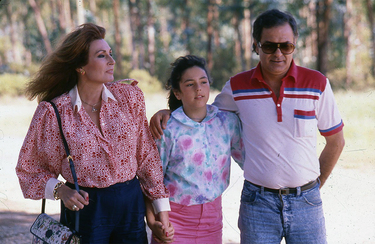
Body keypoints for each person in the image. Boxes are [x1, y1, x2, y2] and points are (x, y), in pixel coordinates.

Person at [149, 9, 345, 244]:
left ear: (295, 44)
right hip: (257, 204)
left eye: (286, 45)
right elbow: (202, 114)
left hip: (307, 203)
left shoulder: (317, 83)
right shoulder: (238, 87)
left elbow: (336, 141)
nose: (279, 53)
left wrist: (312, 189)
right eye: (270, 46)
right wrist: (170, 113)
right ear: (256, 46)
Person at [16, 23, 173, 244]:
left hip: (130, 204)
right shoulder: (53, 112)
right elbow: (28, 170)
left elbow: (146, 155)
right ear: (81, 66)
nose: (112, 61)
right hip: (86, 210)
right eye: (102, 56)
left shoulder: (130, 97)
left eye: (111, 54)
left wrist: (161, 208)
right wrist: (61, 190)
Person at [145, 55, 244, 244]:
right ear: (177, 92)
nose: (198, 88)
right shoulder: (167, 129)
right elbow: (152, 179)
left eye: (203, 82)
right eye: (190, 84)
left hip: (212, 219)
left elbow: (248, 160)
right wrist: (154, 221)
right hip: (172, 220)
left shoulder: (227, 122)